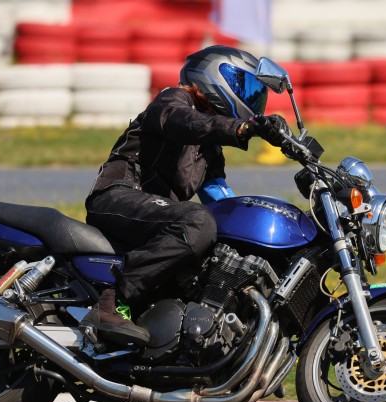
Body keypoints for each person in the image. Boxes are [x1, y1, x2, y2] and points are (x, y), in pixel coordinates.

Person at [81, 45, 290, 345]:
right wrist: (243, 128)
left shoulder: (210, 150)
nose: (251, 99)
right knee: (198, 222)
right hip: (118, 196)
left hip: (156, 216)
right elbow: (186, 124)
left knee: (220, 237)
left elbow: (221, 199)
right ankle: (112, 303)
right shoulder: (173, 100)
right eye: (243, 86)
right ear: (214, 76)